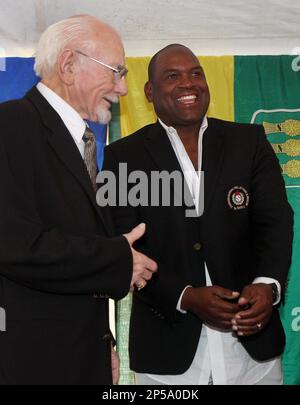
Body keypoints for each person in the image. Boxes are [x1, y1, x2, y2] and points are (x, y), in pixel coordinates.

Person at [102, 44, 294, 385]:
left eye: (195, 74)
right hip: (167, 357)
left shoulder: (248, 141)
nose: (188, 84)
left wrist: (267, 285)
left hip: (252, 354)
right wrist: (184, 296)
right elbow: (124, 246)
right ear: (149, 91)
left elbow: (276, 222)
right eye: (172, 76)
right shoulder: (121, 157)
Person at [0, 14, 157, 385]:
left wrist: (103, 344)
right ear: (69, 65)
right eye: (116, 71)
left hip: (80, 355)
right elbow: (14, 244)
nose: (122, 89)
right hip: (32, 362)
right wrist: (118, 259)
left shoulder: (80, 140)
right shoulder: (11, 127)